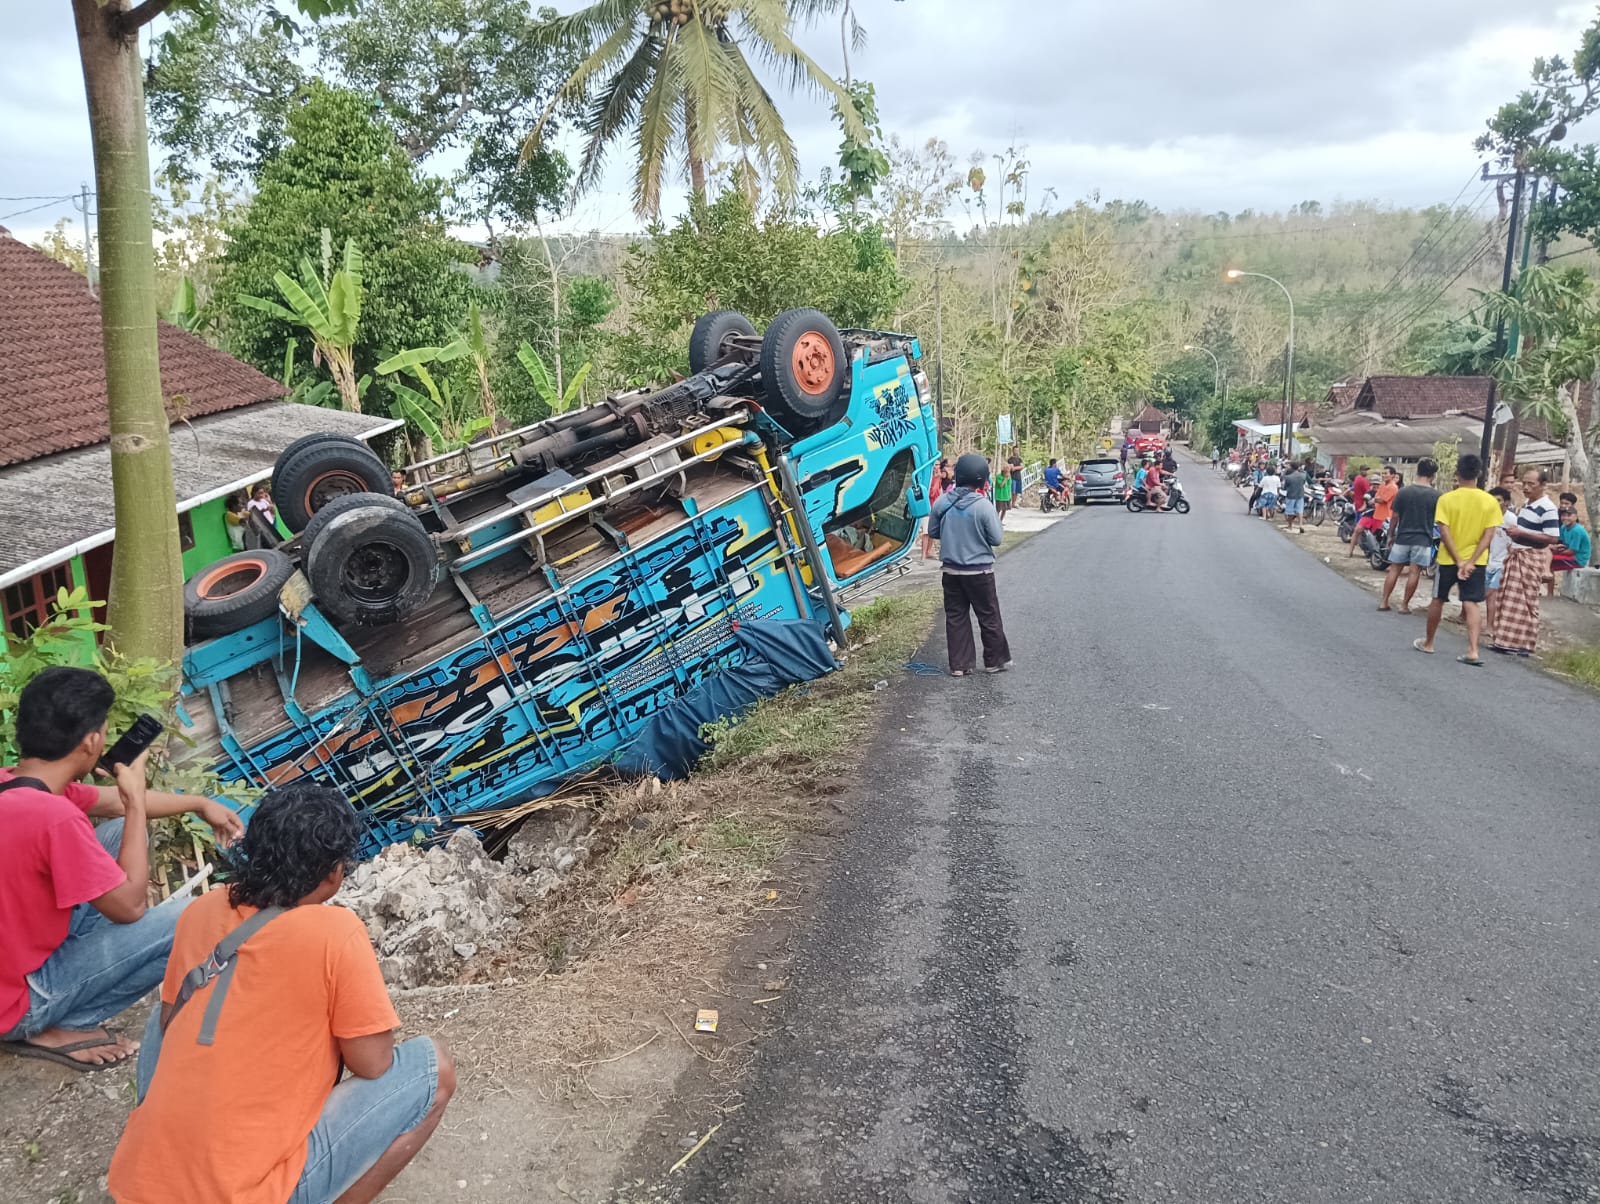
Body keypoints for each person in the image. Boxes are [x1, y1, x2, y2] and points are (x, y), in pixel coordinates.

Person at [108, 784, 455, 1204]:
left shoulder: (201, 910)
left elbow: (169, 1023)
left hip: (139, 1184)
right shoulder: (336, 933)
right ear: (334, 873)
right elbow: (373, 1063)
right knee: (434, 1068)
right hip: (243, 1195)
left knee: (169, 1008)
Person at [0, 668, 244, 1071]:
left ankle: (52, 1008)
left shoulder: (15, 785)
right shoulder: (54, 818)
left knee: (118, 833)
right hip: (19, 1001)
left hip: (14, 959)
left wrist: (199, 804)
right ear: (91, 741)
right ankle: (60, 1023)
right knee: (193, 916)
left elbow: (111, 802)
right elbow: (130, 907)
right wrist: (135, 804)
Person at [926, 453, 1011, 677]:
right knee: (988, 616)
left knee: (956, 617)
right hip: (979, 571)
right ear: (981, 478)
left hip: (951, 571)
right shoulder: (983, 506)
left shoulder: (942, 502)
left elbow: (933, 531)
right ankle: (994, 662)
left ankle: (960, 665)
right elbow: (996, 539)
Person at [1414, 454, 1501, 666]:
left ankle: (1429, 642)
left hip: (1447, 559)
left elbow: (1444, 532)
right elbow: (1488, 535)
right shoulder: (1489, 501)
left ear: (1457, 473)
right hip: (1477, 562)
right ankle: (1473, 650)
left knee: (1438, 599)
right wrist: (1470, 561)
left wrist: (1459, 560)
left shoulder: (1446, 499)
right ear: (1479, 473)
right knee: (1471, 603)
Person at [1492, 467, 1562, 656]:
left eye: (1531, 484)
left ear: (1543, 485)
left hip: (1531, 557)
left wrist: (1522, 533)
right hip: (1517, 553)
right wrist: (1515, 537)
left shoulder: (1547, 508)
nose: (1526, 487)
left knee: (1526, 600)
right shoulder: (1526, 503)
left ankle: (1523, 643)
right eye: (1524, 483)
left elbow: (1552, 538)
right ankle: (1505, 639)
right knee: (1510, 598)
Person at [1379, 457, 1440, 614]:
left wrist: (1390, 534)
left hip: (1403, 536)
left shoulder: (1404, 492)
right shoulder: (1437, 496)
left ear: (1417, 472)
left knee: (1394, 569)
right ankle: (1404, 605)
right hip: (1423, 539)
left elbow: (1394, 516)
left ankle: (1384, 601)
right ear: (1433, 476)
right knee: (1415, 571)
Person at [1485, 486, 1517, 637]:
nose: (1495, 503)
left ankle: (1490, 627)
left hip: (1503, 563)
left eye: (1498, 500)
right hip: (1489, 561)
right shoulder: (1488, 517)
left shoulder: (1512, 520)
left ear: (1506, 502)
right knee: (1487, 594)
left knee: (1492, 594)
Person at [1348, 465, 1397, 558]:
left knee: (1378, 538)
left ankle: (1377, 556)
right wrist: (1373, 500)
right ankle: (1350, 552)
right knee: (1357, 529)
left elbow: (1382, 499)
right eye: (1383, 473)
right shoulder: (1381, 486)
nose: (1384, 475)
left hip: (1384, 517)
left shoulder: (1393, 487)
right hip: (1372, 512)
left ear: (1392, 475)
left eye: (1386, 473)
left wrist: (1374, 500)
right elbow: (1376, 497)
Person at [1548, 492, 1591, 596]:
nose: (1565, 518)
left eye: (1569, 515)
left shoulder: (1577, 530)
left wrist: (1556, 551)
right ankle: (1549, 592)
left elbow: (1572, 551)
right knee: (1547, 557)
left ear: (1576, 517)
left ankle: (1550, 593)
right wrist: (1555, 547)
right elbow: (1562, 543)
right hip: (1570, 554)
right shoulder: (1563, 527)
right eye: (1563, 515)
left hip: (1579, 559)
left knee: (1549, 562)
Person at [920, 458, 953, 561]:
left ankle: (929, 551)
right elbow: (932, 493)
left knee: (932, 532)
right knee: (926, 532)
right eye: (935, 465)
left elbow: (949, 476)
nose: (936, 467)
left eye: (938, 465)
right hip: (927, 507)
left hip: (936, 507)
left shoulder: (941, 478)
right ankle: (923, 554)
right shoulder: (929, 478)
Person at [1280, 461, 1308, 533]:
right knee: (1300, 511)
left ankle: (1290, 526)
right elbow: (1303, 483)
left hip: (1291, 495)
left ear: (1291, 467)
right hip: (1300, 495)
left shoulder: (1288, 477)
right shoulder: (1303, 475)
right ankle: (1300, 525)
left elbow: (1284, 487)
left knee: (1290, 511)